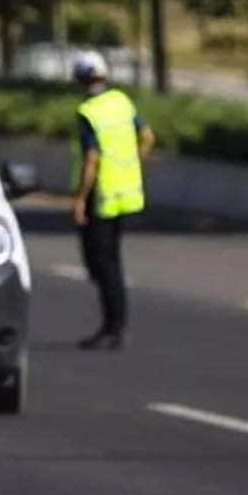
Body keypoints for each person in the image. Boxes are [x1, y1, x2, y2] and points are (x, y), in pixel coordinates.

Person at [70, 51, 155, 351]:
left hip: (101, 196)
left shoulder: (88, 111)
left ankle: (112, 327)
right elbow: (147, 136)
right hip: (126, 193)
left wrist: (80, 200)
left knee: (102, 265)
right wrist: (133, 166)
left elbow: (91, 159)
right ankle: (115, 325)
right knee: (113, 262)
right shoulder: (121, 101)